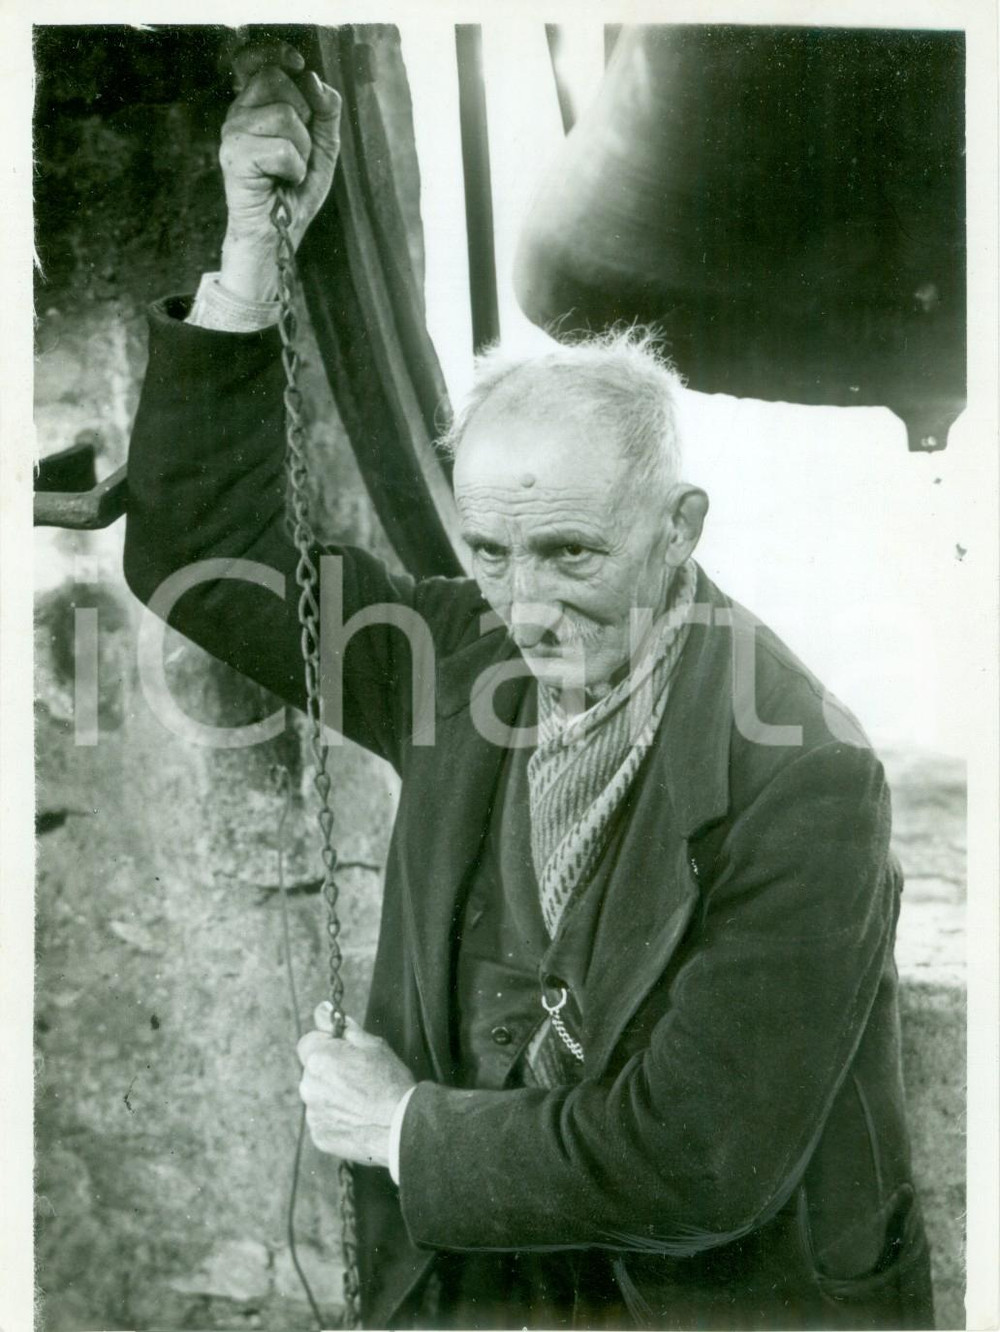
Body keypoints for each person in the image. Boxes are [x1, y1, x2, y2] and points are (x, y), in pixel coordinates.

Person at [123, 43, 935, 1330]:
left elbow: (697, 1162)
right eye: (492, 552)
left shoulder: (808, 777)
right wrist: (252, 251)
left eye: (570, 553)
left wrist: (400, 1130)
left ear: (679, 529)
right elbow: (204, 566)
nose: (527, 602)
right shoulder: (462, 654)